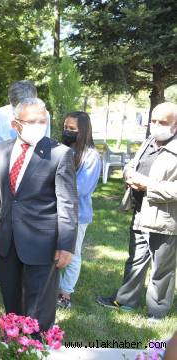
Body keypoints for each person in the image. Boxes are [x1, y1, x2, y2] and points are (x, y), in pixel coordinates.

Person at [0, 97, 78, 331]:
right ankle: (15, 342)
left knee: (39, 307)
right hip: (7, 239)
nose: (38, 125)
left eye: (42, 120)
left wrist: (66, 244)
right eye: (32, 121)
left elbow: (68, 203)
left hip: (42, 242)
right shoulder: (1, 150)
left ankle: (36, 345)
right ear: (16, 124)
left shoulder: (59, 154)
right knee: (11, 300)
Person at [96, 102, 177, 321]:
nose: (156, 126)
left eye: (163, 122)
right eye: (153, 121)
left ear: (175, 124)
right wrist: (129, 174)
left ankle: (157, 311)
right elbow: (132, 164)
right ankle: (126, 300)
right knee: (135, 260)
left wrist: (147, 185)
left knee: (162, 269)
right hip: (141, 213)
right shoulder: (149, 141)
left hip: (165, 219)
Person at [0, 80, 40, 290]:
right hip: (4, 180)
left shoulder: (42, 114)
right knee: (2, 224)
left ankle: (27, 268)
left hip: (31, 180)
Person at [56, 112, 101, 309]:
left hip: (77, 214)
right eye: (66, 127)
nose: (67, 131)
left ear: (83, 131)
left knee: (71, 254)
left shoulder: (91, 156)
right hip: (54, 211)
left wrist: (54, 185)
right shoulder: (61, 149)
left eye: (72, 129)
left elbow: (82, 188)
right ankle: (53, 288)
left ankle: (65, 293)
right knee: (54, 252)